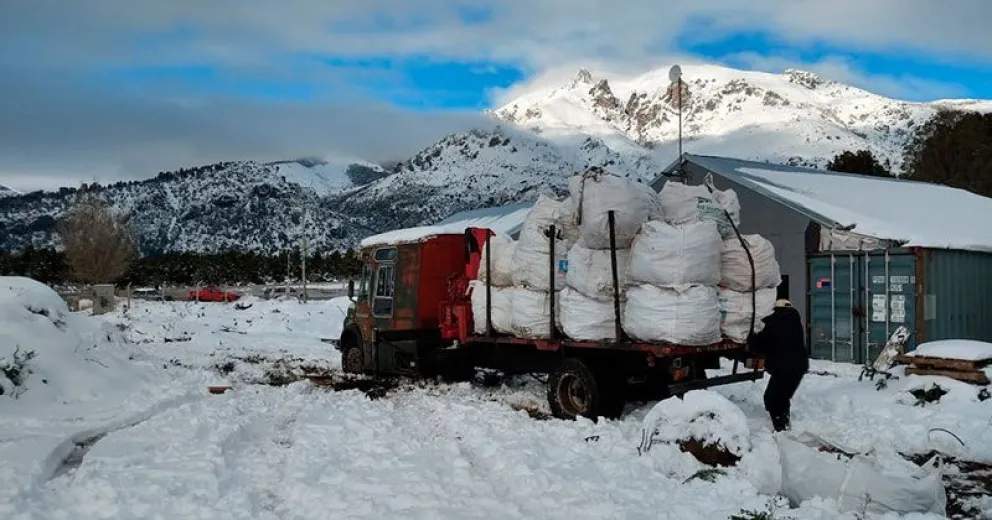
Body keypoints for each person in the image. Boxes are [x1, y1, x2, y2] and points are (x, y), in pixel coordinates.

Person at [748, 299, 809, 432]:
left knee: (771, 398)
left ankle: (780, 428)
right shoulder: (794, 320)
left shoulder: (773, 322)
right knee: (782, 397)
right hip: (799, 366)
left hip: (783, 367)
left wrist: (751, 340)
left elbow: (761, 343)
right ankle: (784, 423)